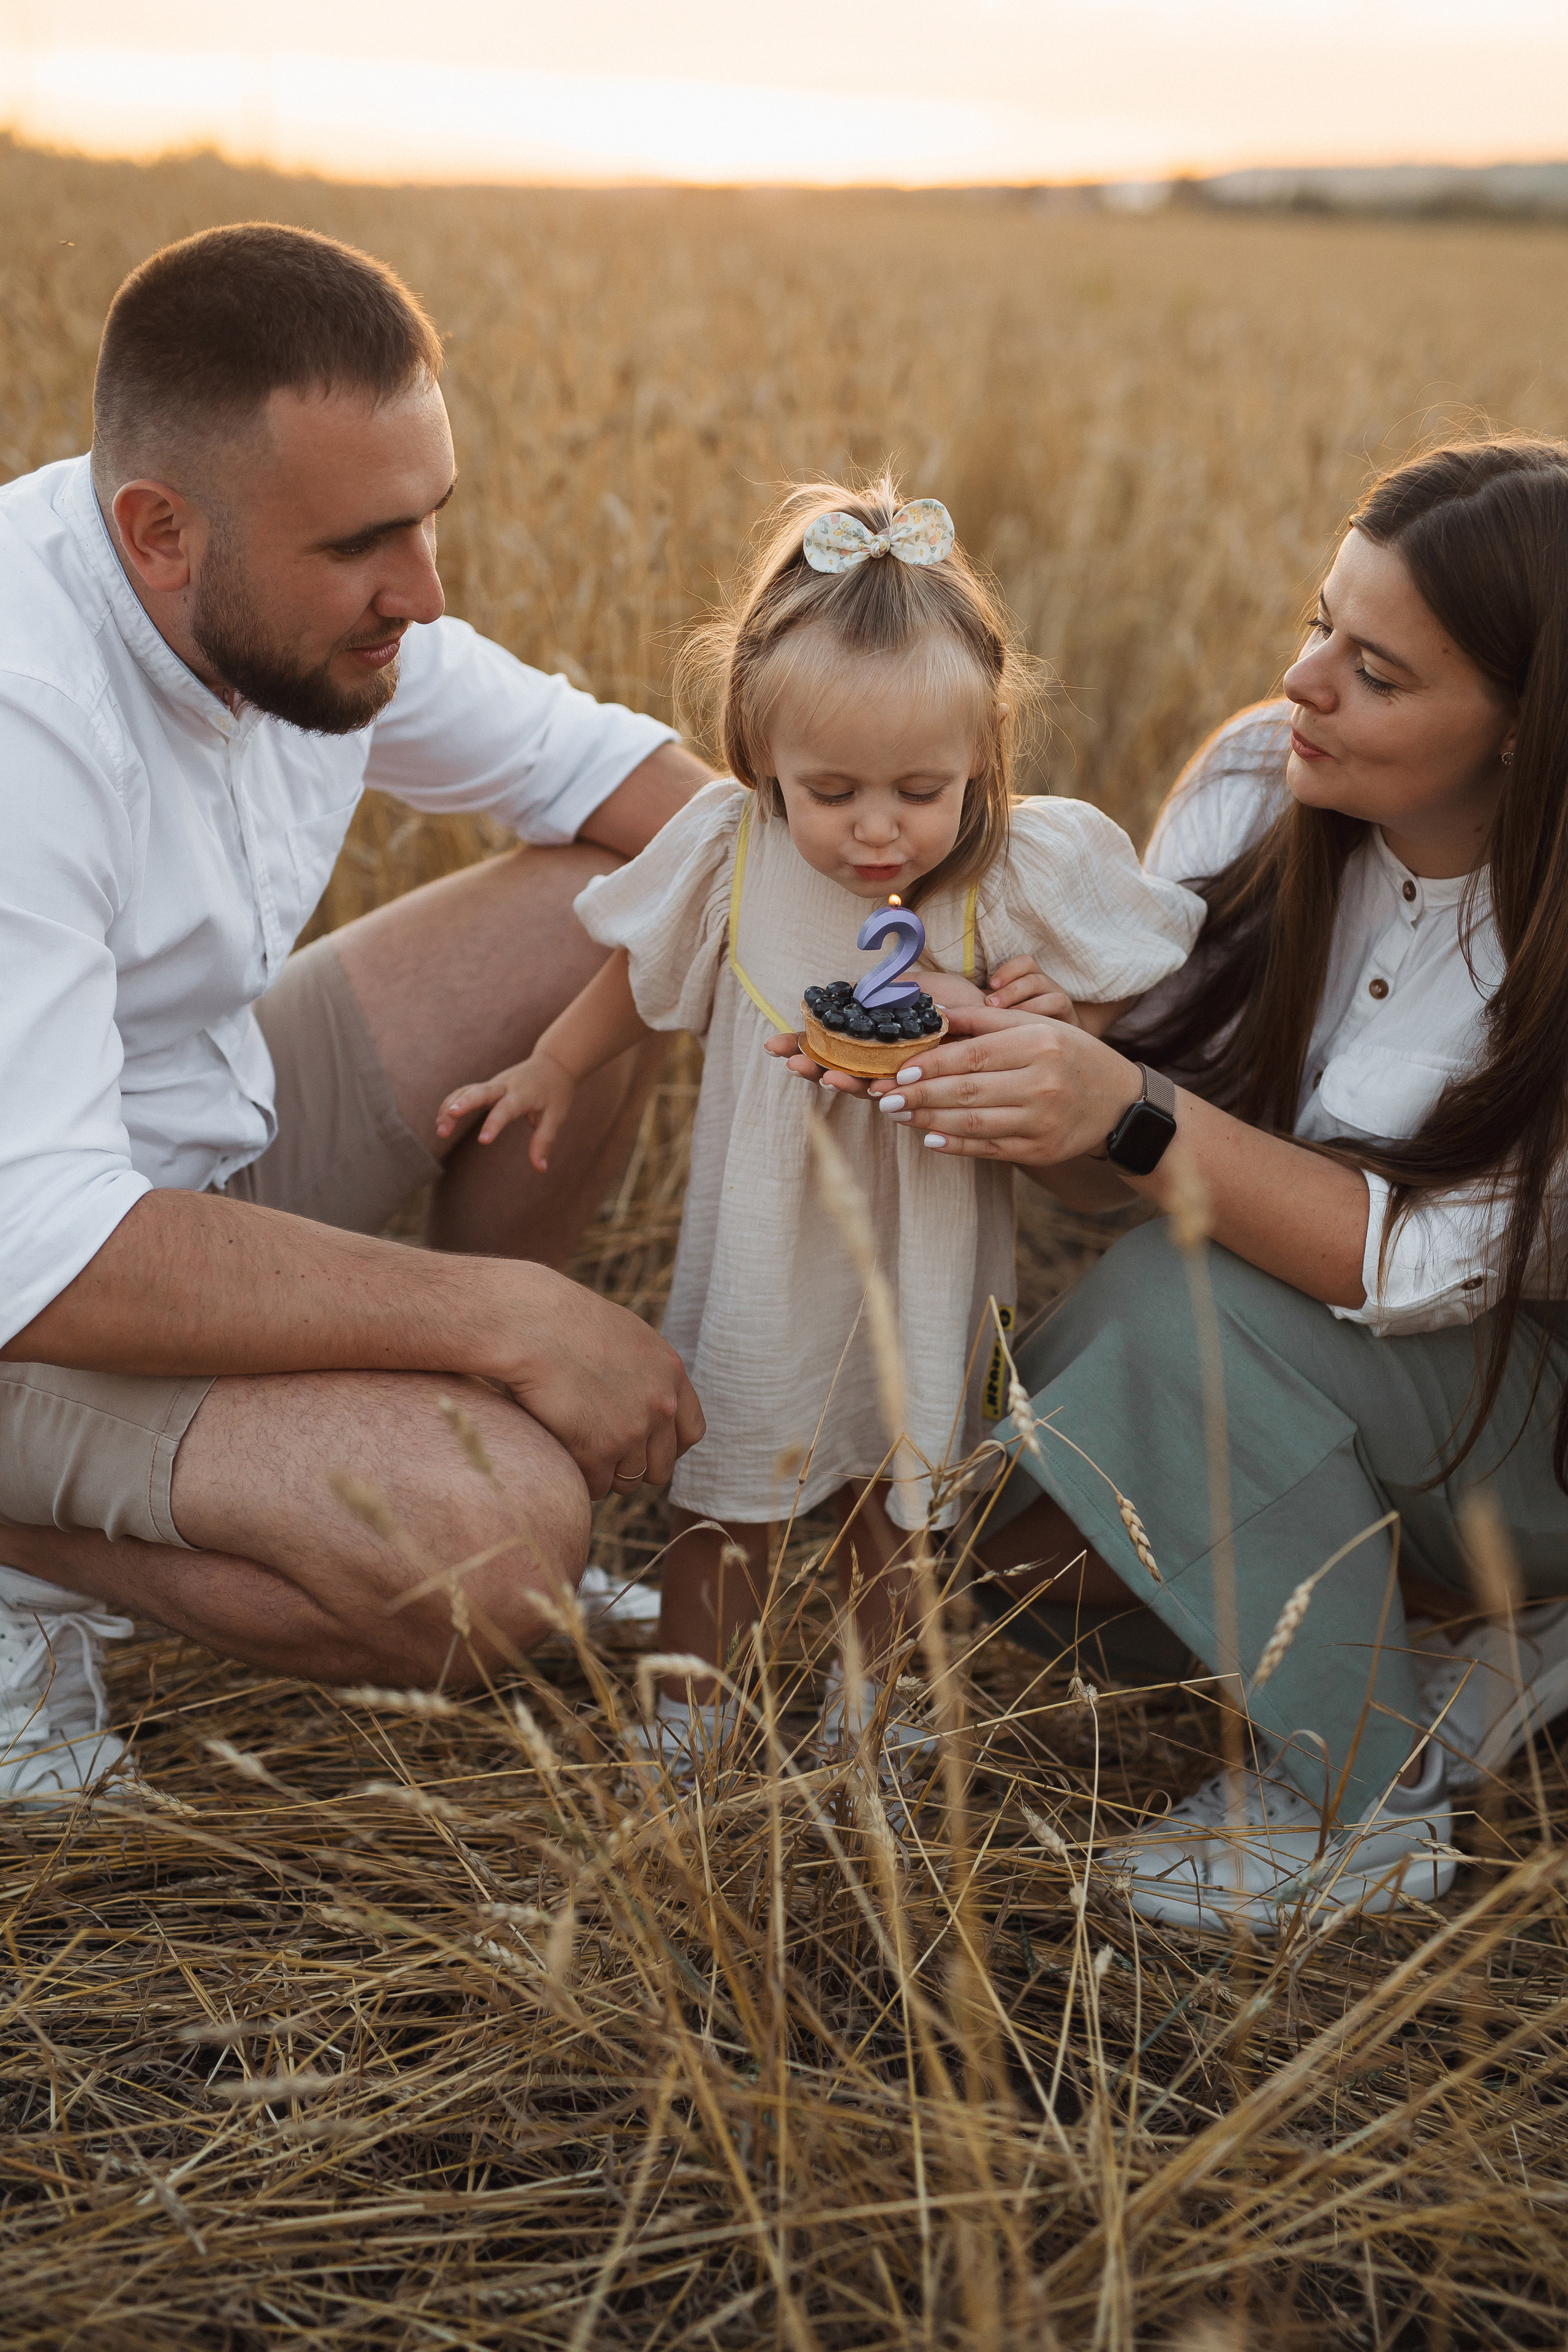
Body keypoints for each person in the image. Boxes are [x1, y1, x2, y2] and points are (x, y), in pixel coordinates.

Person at [783, 439, 1568, 1932]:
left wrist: (1130, 1115)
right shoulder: (1250, 784)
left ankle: (1367, 1806)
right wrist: (1024, 1064)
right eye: (1316, 620)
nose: (1305, 683)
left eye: (1378, 673)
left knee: (1171, 1311)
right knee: (998, 1541)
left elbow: (1410, 1266)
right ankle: (1471, 1627)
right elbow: (1124, 1142)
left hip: (1527, 1425)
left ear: (1528, 731)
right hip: (1326, 1370)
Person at [0, 222, 708, 1799]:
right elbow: (40, 1247)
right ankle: (27, 1563)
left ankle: (368, 1434)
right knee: (497, 1552)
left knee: (626, 906)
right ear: (160, 530)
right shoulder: (20, 710)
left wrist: (913, 949)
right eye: (359, 547)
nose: (423, 591)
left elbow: (646, 800)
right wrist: (509, 1324)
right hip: (28, 1284)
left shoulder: (301, 614)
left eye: (427, 522)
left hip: (188, 1164)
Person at [437, 477, 1203, 1766]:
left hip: (929, 1240)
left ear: (981, 762)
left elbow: (1129, 1000)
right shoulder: (732, 852)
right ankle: (692, 1713)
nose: (874, 828)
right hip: (764, 1229)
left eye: (920, 788)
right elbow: (639, 976)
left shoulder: (1008, 871)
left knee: (896, 1496)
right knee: (727, 1475)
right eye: (830, 788)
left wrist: (1057, 1009)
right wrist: (554, 1067)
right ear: (758, 753)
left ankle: (875, 1708)